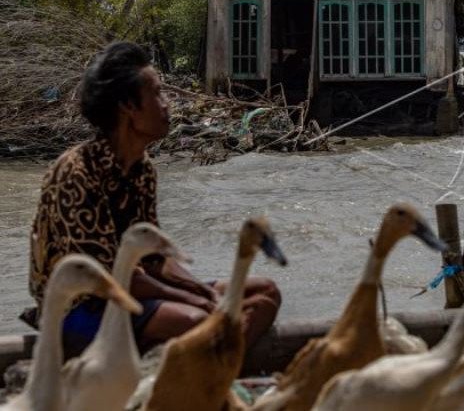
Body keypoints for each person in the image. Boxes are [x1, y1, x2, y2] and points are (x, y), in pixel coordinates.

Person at [26, 41, 281, 352]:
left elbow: (155, 260)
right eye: (157, 94)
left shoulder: (143, 170)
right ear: (128, 107)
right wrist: (201, 300)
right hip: (79, 309)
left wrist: (203, 291)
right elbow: (109, 278)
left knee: (265, 294)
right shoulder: (76, 172)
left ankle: (213, 375)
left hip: (137, 291)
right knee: (197, 318)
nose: (167, 104)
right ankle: (199, 377)